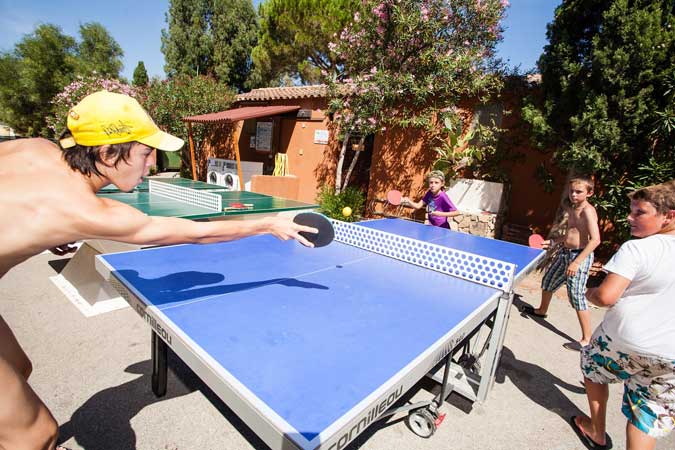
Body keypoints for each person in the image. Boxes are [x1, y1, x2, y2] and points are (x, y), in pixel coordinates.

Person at [0, 90, 318, 450]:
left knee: (19, 370)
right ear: (107, 153)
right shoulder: (83, 210)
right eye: (146, 152)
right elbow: (195, 233)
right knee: (36, 434)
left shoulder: (36, 148)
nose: (153, 164)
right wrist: (269, 223)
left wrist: (36, 231)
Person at [571, 180, 675, 450]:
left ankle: (596, 430)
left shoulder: (637, 248)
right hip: (671, 355)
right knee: (646, 414)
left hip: (624, 341)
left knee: (593, 370)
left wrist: (590, 292)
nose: (630, 217)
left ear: (669, 216)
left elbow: (606, 296)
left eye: (640, 212)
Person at [520, 175, 601, 351]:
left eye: (579, 192)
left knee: (576, 296)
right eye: (572, 191)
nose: (574, 194)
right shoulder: (573, 208)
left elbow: (595, 240)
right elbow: (572, 234)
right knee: (548, 281)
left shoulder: (588, 211)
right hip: (564, 253)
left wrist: (577, 262)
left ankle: (587, 340)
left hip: (580, 256)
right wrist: (554, 242)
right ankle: (542, 310)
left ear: (590, 193)